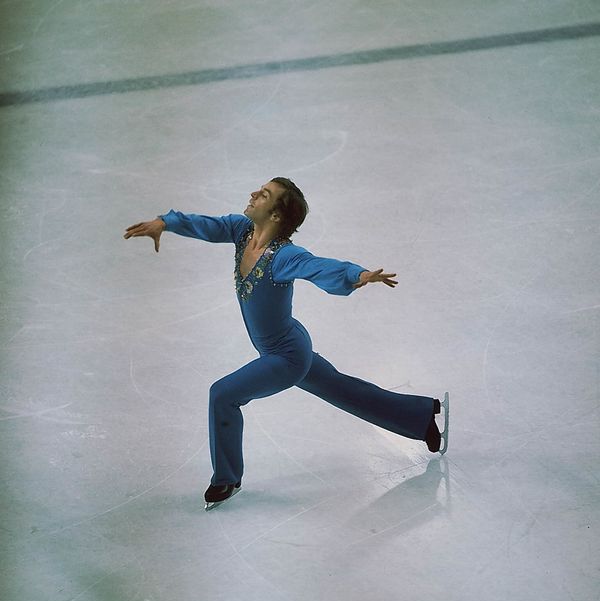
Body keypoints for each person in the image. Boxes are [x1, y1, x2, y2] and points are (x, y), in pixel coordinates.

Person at [124, 177, 447, 510]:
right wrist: (167, 222)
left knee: (223, 394)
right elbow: (209, 225)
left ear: (276, 216)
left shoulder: (283, 256)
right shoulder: (241, 232)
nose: (252, 194)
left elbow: (316, 266)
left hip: (287, 356)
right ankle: (421, 416)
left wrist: (357, 275)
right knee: (343, 391)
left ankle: (227, 478)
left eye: (263, 195)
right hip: (288, 344)